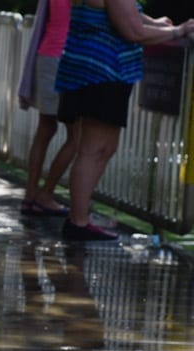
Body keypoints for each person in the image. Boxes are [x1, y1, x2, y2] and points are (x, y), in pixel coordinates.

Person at [55, 0, 194, 240]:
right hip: (100, 73)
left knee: (103, 148)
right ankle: (77, 221)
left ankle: (80, 218)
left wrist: (155, 23)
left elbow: (128, 16)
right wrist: (178, 31)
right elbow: (133, 32)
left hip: (97, 71)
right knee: (93, 149)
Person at [17, 0, 78, 217]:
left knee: (45, 128)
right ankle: (46, 194)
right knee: (76, 136)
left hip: (46, 56)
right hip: (67, 59)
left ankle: (30, 196)